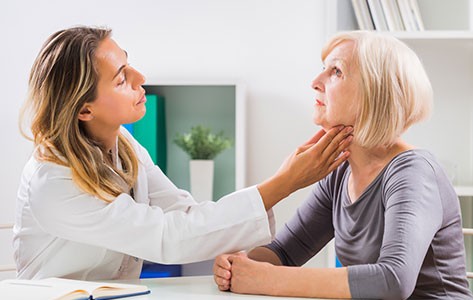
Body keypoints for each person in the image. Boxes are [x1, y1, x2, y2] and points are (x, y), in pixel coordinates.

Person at [13, 26, 353, 281]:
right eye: (120, 79)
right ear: (84, 110)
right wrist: (285, 182)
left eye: (128, 64)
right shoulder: (53, 180)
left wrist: (231, 250)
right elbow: (166, 237)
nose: (140, 77)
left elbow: (184, 213)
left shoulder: (124, 146)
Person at [213, 30, 473, 299]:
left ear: (375, 91)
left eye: (336, 71)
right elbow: (285, 252)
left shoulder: (413, 173)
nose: (315, 82)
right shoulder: (340, 174)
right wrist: (241, 266)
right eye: (323, 69)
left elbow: (393, 280)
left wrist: (266, 279)